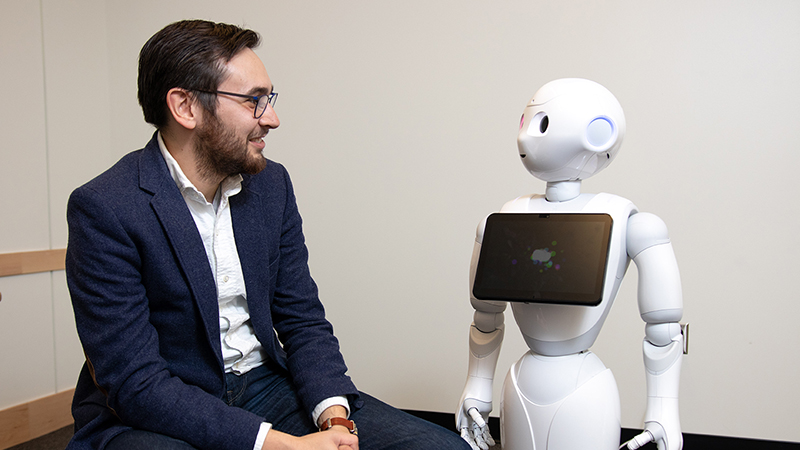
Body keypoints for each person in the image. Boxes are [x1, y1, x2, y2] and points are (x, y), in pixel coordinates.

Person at [65, 19, 471, 450]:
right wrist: (284, 445)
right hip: (155, 408)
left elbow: (301, 316)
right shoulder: (104, 207)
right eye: (253, 101)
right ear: (185, 107)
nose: (272, 118)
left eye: (269, 99)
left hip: (262, 385)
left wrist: (335, 419)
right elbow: (136, 383)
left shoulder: (270, 186)